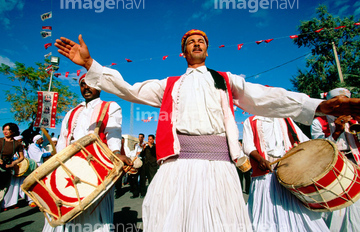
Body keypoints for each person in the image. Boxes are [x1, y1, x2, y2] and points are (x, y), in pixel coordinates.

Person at [55, 29, 360, 231]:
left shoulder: (226, 81)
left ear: (208, 50)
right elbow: (129, 89)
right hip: (176, 168)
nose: (197, 43)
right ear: (183, 52)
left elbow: (267, 98)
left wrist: (320, 106)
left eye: (201, 40)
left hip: (219, 169)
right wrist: (91, 65)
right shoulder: (168, 85)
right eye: (190, 41)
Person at [42, 74, 131, 232]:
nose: (86, 88)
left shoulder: (110, 106)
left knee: (94, 210)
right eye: (83, 85)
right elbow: (64, 139)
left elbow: (113, 134)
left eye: (90, 84)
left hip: (98, 165)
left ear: (99, 87)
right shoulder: (72, 112)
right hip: (70, 165)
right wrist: (57, 164)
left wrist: (116, 152)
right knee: (66, 205)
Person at [243, 116, 329, 231]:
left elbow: (303, 140)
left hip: (289, 174)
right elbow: (248, 146)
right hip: (265, 176)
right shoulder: (251, 121)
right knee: (266, 212)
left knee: (296, 213)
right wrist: (260, 160)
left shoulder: (286, 119)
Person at [311, 87, 360, 232]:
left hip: (356, 162)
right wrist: (337, 131)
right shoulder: (318, 122)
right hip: (334, 166)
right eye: (339, 103)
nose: (343, 106)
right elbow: (320, 148)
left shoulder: (355, 117)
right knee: (337, 205)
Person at [2, 135, 35, 210]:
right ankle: (6, 204)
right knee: (11, 187)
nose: (21, 142)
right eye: (20, 141)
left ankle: (27, 201)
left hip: (23, 171)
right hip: (13, 171)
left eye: (21, 140)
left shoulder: (23, 149)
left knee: (23, 186)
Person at [0, 123, 24, 204]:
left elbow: (21, 157)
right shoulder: (0, 141)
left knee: (2, 192)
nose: (5, 131)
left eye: (7, 129)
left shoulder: (17, 144)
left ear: (13, 131)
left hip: (7, 169)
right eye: (4, 129)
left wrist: (13, 163)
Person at [129, 133, 146, 198]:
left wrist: (141, 152)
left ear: (143, 138)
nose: (140, 138)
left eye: (141, 137)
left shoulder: (145, 145)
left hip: (142, 161)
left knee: (142, 178)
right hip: (136, 161)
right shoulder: (136, 145)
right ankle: (135, 193)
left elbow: (144, 153)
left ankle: (142, 193)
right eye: (139, 137)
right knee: (134, 178)